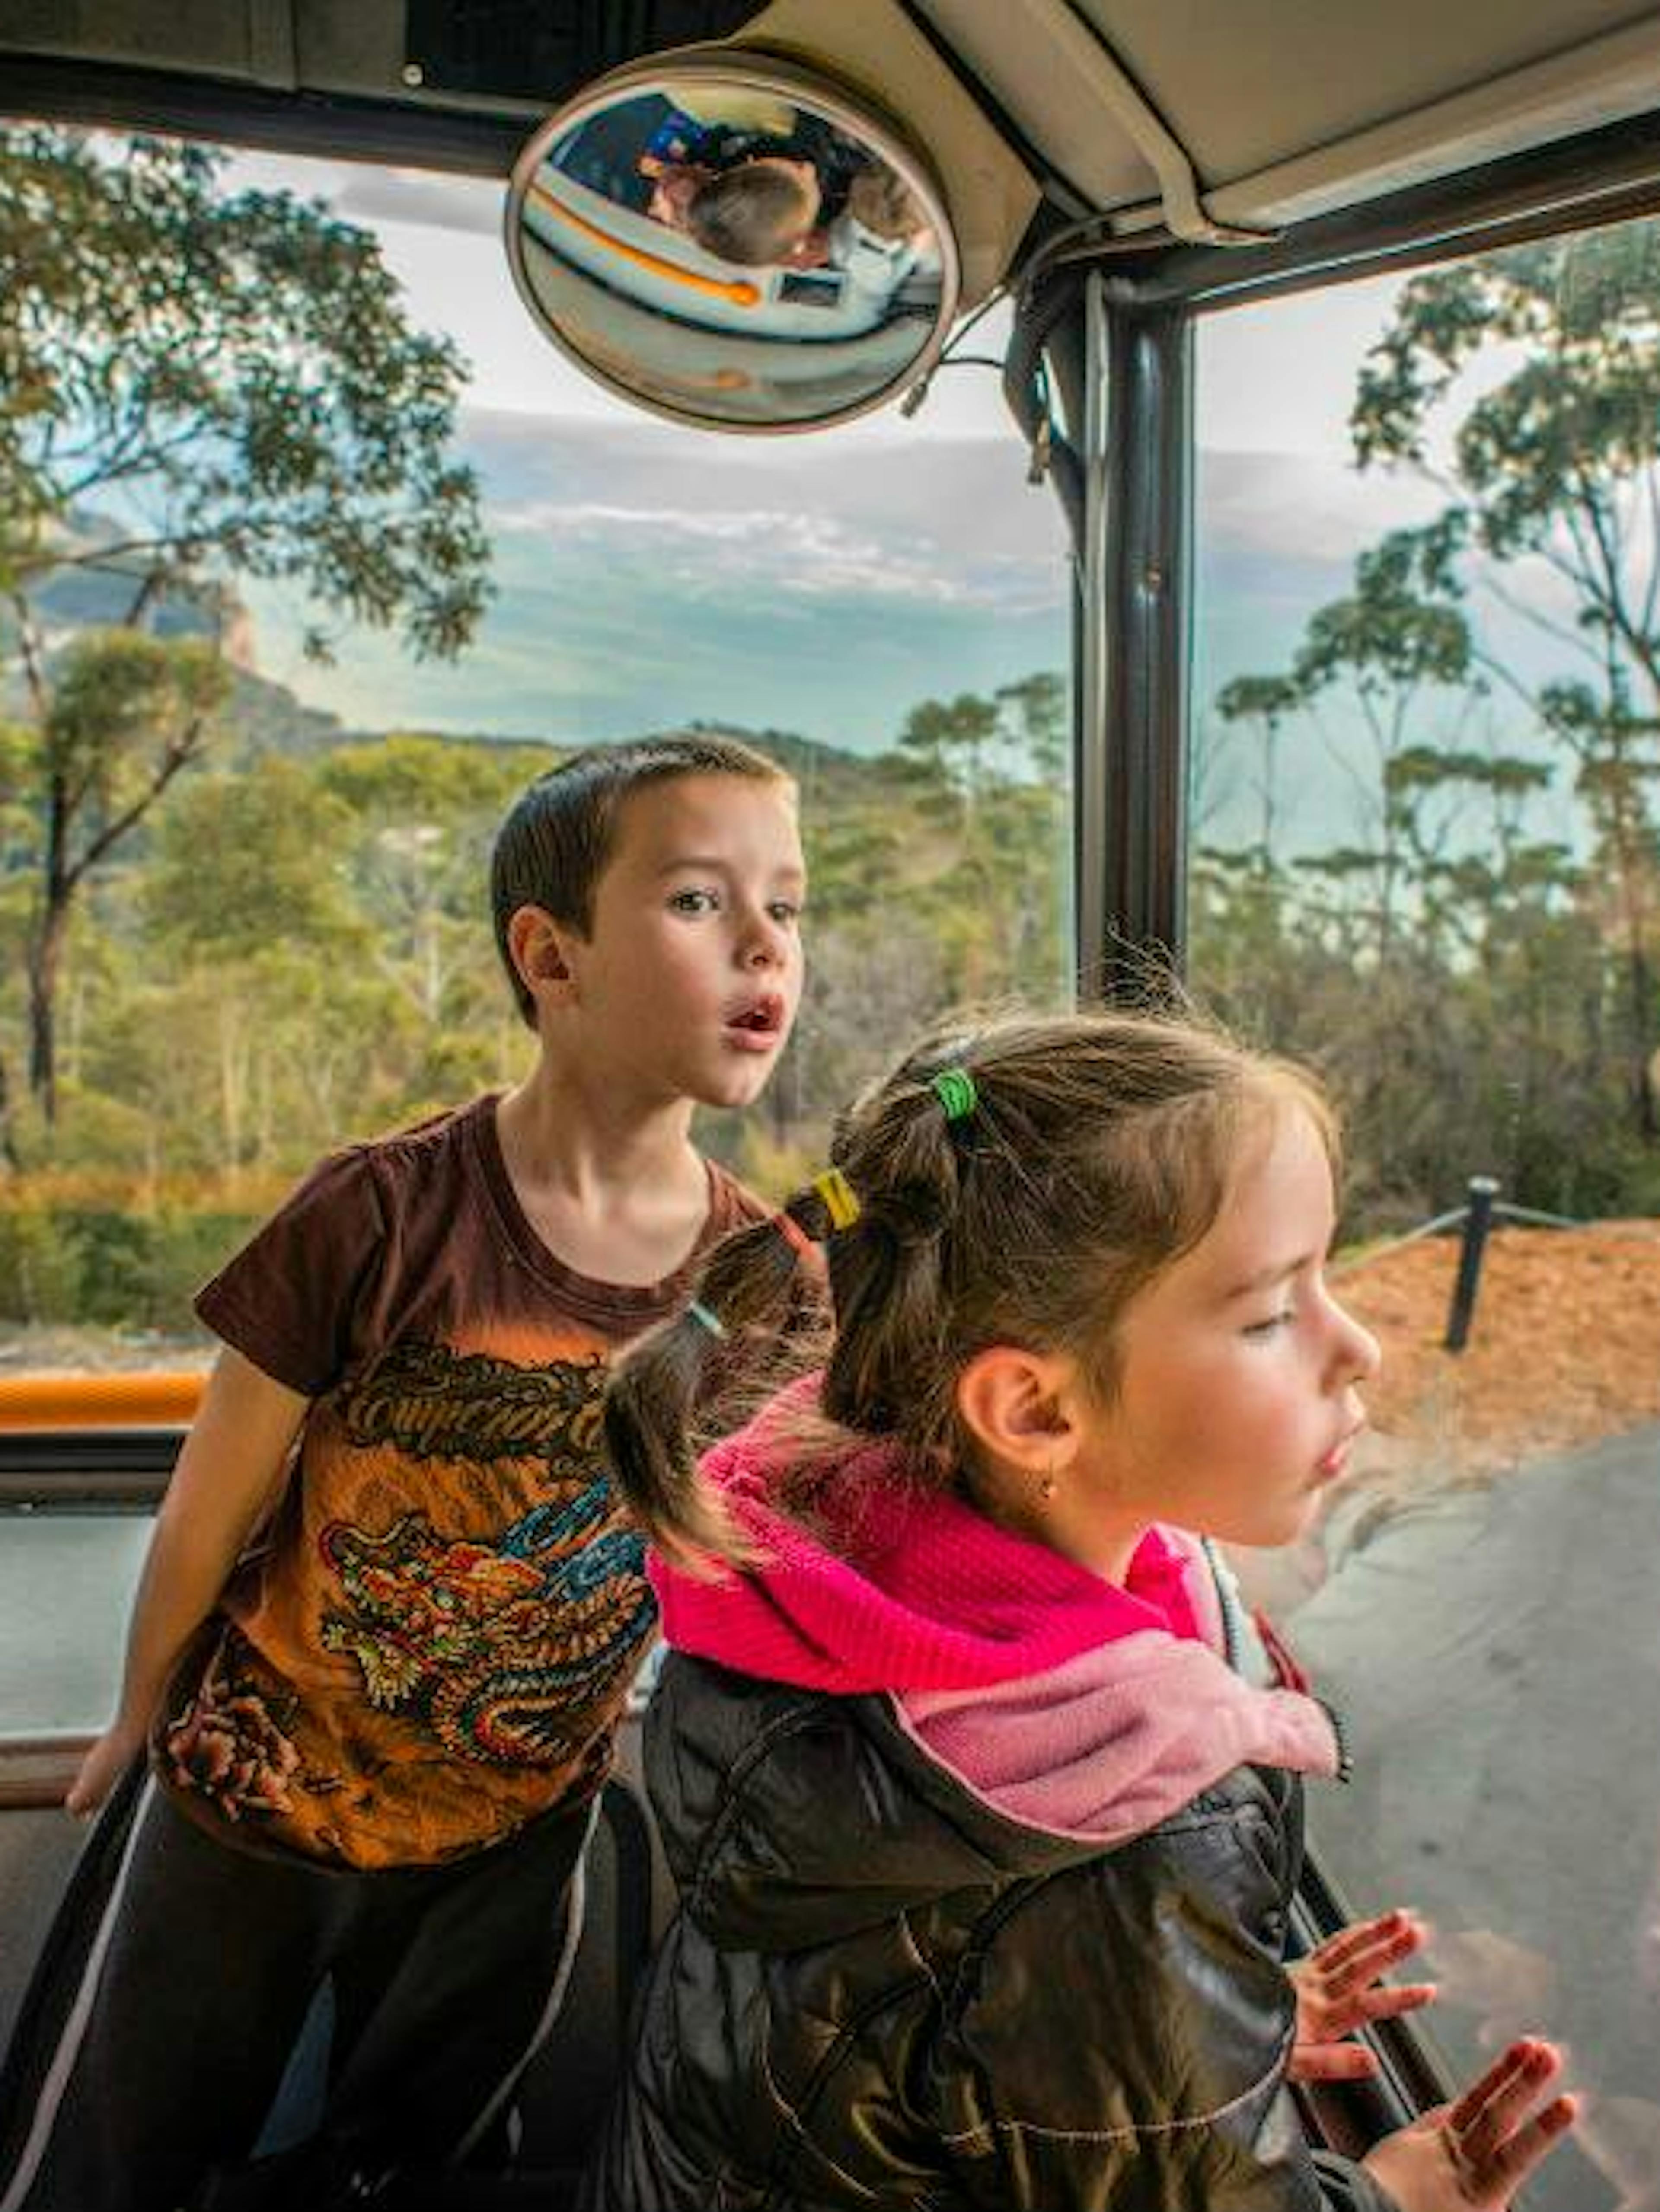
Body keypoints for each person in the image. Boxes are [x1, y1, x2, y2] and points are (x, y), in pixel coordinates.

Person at [583, 1009, 1580, 2212]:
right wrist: (1388, 2200)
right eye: (1270, 1314)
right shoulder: (1113, 1824)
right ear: (1036, 1412)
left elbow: (943, 2022)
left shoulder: (812, 1578)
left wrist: (1199, 2023)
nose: (1358, 1346)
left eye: (1331, 1274)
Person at [0, 733, 808, 2212]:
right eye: (701, 901)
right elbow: (214, 1495)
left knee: (419, 2176)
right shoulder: (381, 1215)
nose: (767, 944)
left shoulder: (769, 1290)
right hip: (248, 1800)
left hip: (508, 1849)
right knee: (116, 2161)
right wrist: (135, 1716)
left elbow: (764, 1557)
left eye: (790, 906)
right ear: (548, 957)